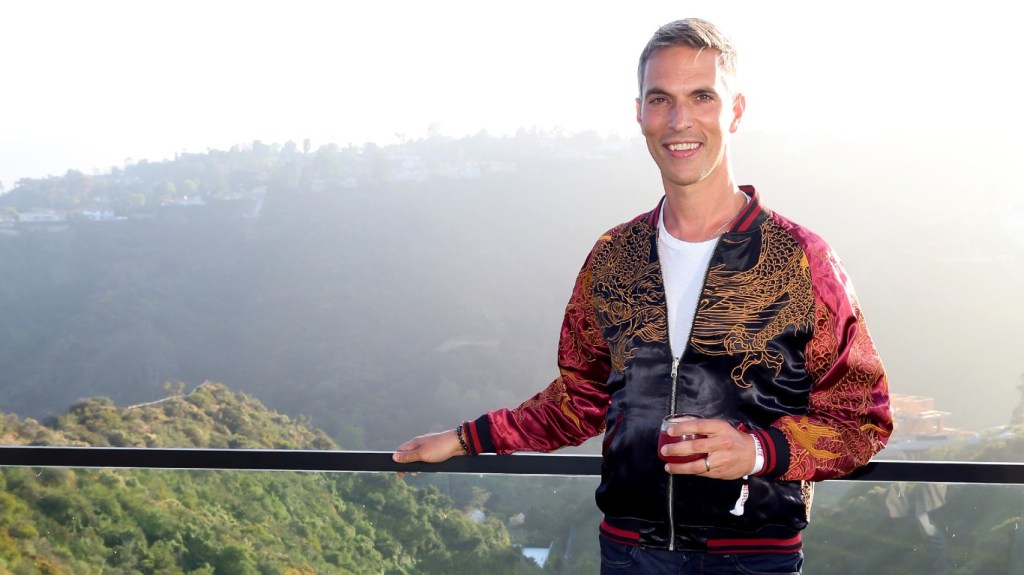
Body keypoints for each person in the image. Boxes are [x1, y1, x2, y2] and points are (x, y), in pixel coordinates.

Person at [393, 17, 892, 574]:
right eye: (661, 99)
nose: (679, 120)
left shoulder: (802, 260)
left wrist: (756, 451)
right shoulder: (613, 256)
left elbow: (862, 419)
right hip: (629, 553)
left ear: (736, 110)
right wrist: (464, 439)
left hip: (751, 560)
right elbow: (579, 399)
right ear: (640, 114)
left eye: (702, 96)